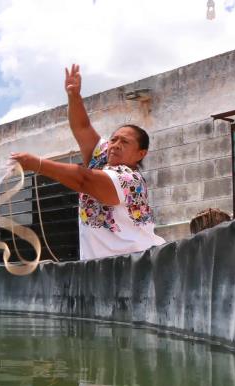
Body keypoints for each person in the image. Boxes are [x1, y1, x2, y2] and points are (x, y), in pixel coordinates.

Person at [11, 64, 165, 260]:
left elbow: (84, 180)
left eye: (124, 142)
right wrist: (74, 96)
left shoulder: (130, 180)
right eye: (113, 139)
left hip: (136, 267)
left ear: (140, 154)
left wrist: (38, 164)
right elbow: (83, 128)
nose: (115, 145)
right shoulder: (104, 158)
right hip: (103, 269)